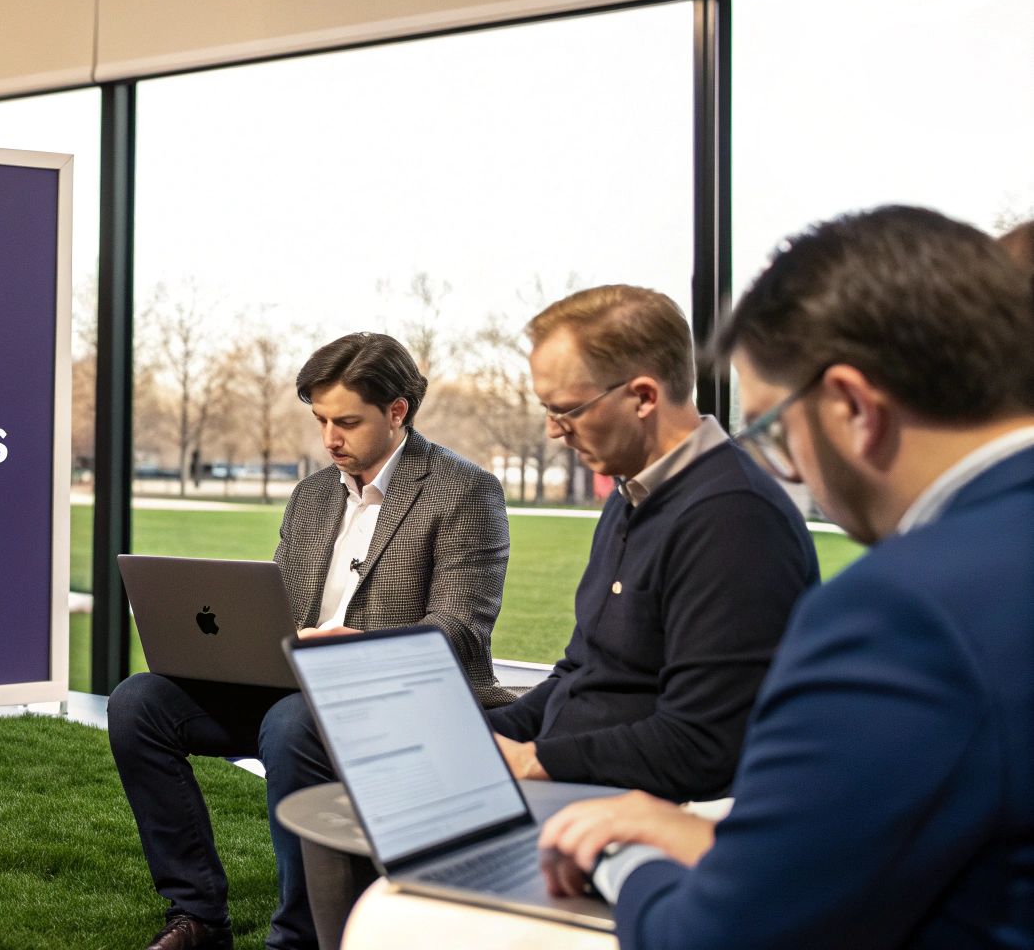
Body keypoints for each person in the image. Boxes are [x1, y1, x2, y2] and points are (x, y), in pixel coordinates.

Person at [539, 206, 1034, 948]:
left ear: (852, 406)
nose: (785, 469)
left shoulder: (903, 612)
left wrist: (622, 852)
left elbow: (713, 937)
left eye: (771, 429)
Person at [108, 332, 510, 950]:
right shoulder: (312, 495)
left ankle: (299, 936)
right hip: (294, 685)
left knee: (293, 724)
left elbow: (460, 629)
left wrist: (361, 646)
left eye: (346, 422)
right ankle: (197, 915)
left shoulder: (465, 491)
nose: (329, 439)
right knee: (140, 703)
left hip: (398, 698)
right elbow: (277, 607)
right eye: (320, 419)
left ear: (397, 410)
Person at [488, 286, 818, 801]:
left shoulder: (733, 518)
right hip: (574, 788)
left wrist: (533, 760)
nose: (554, 431)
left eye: (566, 409)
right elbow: (583, 673)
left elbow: (704, 744)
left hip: (630, 817)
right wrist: (490, 734)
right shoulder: (633, 490)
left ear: (643, 396)